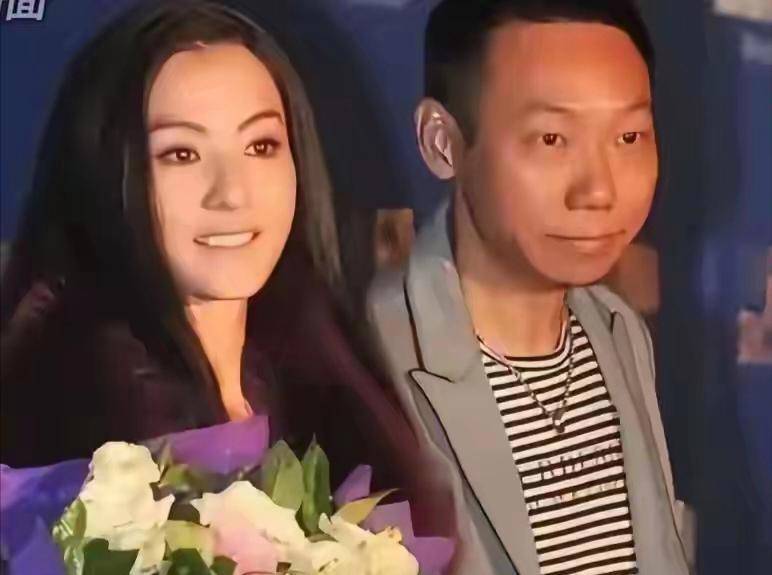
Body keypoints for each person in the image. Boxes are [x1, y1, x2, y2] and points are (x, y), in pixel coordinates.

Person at [0, 0, 420, 504]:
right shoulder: (72, 430)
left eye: (261, 146)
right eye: (181, 154)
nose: (232, 194)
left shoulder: (332, 370)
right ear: (106, 172)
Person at [367, 1, 695, 573]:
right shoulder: (366, 354)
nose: (598, 191)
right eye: (551, 138)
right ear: (443, 143)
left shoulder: (617, 329)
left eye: (628, 136)